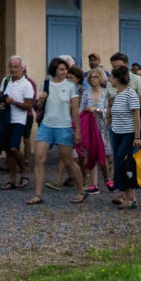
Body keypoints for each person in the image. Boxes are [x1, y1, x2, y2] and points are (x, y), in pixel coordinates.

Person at [27, 58, 87, 205]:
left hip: (64, 127)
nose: (65, 72)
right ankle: (38, 194)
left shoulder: (71, 86)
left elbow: (75, 110)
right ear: (54, 70)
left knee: (68, 161)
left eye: (65, 69)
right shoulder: (45, 84)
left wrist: (77, 131)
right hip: (46, 126)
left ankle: (81, 190)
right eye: (61, 69)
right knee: (39, 158)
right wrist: (41, 99)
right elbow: (39, 107)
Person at [108, 66, 141, 209]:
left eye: (112, 76)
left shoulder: (130, 94)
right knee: (120, 163)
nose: (109, 79)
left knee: (122, 162)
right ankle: (129, 196)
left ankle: (129, 197)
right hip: (117, 132)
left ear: (117, 78)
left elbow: (136, 117)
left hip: (128, 134)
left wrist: (137, 136)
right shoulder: (117, 95)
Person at [0, 55, 34, 190]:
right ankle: (12, 179)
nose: (13, 70)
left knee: (14, 147)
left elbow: (29, 106)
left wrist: (14, 103)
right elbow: (1, 98)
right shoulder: (6, 80)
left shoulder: (27, 84)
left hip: (19, 120)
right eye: (11, 67)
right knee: (8, 150)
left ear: (21, 68)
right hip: (6, 119)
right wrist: (1, 104)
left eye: (16, 67)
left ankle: (24, 171)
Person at [79, 67, 110, 193]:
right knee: (91, 155)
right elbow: (81, 109)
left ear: (101, 78)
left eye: (96, 77)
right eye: (91, 77)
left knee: (104, 156)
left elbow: (109, 111)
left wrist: (96, 110)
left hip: (102, 127)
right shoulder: (86, 93)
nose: (93, 80)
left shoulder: (107, 93)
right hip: (90, 128)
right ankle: (94, 185)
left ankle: (108, 179)